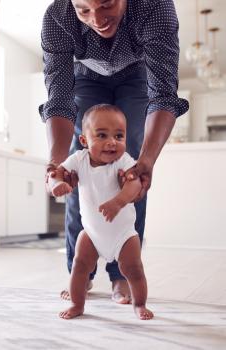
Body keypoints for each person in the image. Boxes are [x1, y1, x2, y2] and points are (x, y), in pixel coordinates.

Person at [39, 0, 189, 303]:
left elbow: (162, 93)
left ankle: (122, 275)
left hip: (137, 74)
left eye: (106, 5)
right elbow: (59, 99)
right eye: (84, 10)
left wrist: (146, 161)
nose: (97, 19)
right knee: (77, 168)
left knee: (130, 166)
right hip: (85, 76)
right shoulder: (57, 17)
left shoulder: (155, 7)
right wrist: (56, 163)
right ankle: (79, 271)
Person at [50, 104, 153, 320]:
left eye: (119, 135)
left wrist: (118, 202)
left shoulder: (124, 161)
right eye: (102, 135)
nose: (112, 142)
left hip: (123, 235)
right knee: (79, 266)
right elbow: (57, 171)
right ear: (85, 141)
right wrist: (56, 184)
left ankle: (139, 304)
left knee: (133, 269)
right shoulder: (79, 159)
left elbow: (134, 186)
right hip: (92, 233)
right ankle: (78, 305)